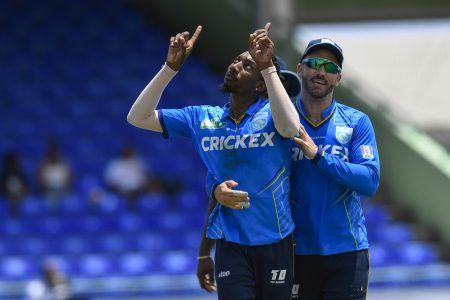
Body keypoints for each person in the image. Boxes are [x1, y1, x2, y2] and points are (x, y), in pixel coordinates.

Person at [127, 22, 300, 300]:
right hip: (231, 244)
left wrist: (267, 66)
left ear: (260, 85)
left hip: (277, 242)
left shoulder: (273, 115)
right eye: (236, 60)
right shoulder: (202, 117)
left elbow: (290, 128)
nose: (235, 66)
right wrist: (169, 68)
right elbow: (138, 117)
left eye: (247, 66)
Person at [204, 38, 380, 300]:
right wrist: (214, 188)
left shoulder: (356, 122)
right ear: (300, 69)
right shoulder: (273, 120)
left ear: (339, 78)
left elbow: (369, 181)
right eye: (313, 64)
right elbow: (224, 170)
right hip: (292, 252)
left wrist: (318, 156)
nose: (321, 72)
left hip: (347, 250)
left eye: (329, 67)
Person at [36, 140, 73, 206]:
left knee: (69, 203)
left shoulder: (64, 164)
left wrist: (65, 187)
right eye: (52, 152)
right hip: (48, 191)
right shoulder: (43, 165)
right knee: (49, 201)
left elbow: (69, 179)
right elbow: (40, 180)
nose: (54, 154)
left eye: (55, 152)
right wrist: (46, 188)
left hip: (62, 190)